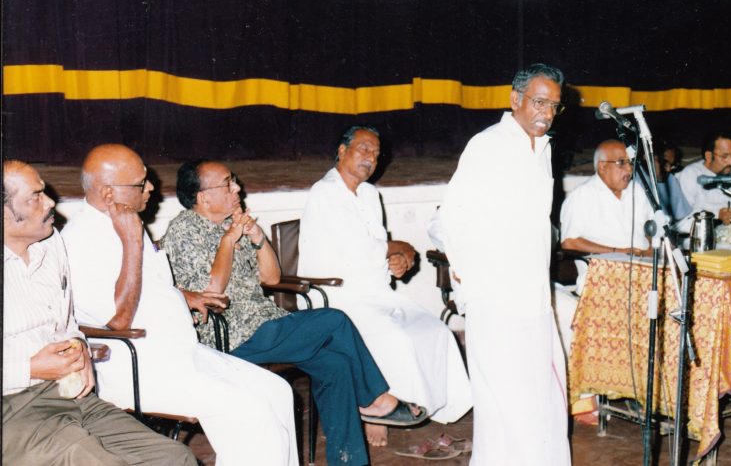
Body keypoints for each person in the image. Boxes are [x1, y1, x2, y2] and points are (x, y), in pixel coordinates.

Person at [160, 159, 426, 464]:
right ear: (204, 197)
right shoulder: (184, 229)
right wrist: (229, 240)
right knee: (334, 320)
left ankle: (349, 461)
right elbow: (212, 293)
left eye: (233, 180)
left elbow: (272, 278)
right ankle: (374, 400)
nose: (237, 188)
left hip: (264, 324)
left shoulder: (230, 223)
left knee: (337, 365)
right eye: (227, 184)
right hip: (227, 336)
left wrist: (258, 238)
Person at [61, 144, 298, 466]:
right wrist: (132, 242)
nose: (151, 187)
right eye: (140, 184)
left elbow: (149, 283)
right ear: (107, 193)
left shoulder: (124, 220)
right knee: (250, 410)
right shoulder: (82, 240)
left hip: (179, 352)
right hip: (138, 365)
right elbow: (118, 321)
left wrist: (185, 296)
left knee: (277, 390)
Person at [3, 159, 196, 465]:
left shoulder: (50, 242)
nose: (50, 202)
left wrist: (78, 346)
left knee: (174, 457)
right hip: (12, 409)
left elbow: (67, 321)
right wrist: (29, 367)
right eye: (35, 197)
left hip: (67, 393)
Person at [298, 126, 472, 447]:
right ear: (342, 151)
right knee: (394, 338)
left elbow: (379, 247)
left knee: (435, 331)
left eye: (376, 154)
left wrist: (398, 260)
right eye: (364, 149)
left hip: (376, 292)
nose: (371, 158)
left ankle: (429, 406)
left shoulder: (369, 194)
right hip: (335, 296)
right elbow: (357, 250)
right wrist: (401, 247)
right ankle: (376, 410)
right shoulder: (325, 192)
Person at [438, 63, 570, 465]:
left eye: (555, 106)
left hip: (534, 297)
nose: (547, 113)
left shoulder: (543, 149)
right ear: (515, 99)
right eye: (539, 102)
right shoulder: (488, 145)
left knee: (542, 399)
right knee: (502, 403)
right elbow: (450, 218)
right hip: (495, 298)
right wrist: (469, 278)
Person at [558, 140, 654, 351]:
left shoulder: (637, 191)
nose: (629, 170)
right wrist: (618, 253)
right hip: (603, 282)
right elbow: (569, 242)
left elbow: (651, 228)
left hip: (643, 275)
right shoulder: (582, 197)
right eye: (621, 163)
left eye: (630, 163)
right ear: (602, 167)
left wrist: (651, 247)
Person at [677, 132, 731, 235]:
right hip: (707, 238)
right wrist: (716, 217)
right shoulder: (691, 174)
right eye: (724, 156)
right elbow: (681, 222)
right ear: (709, 156)